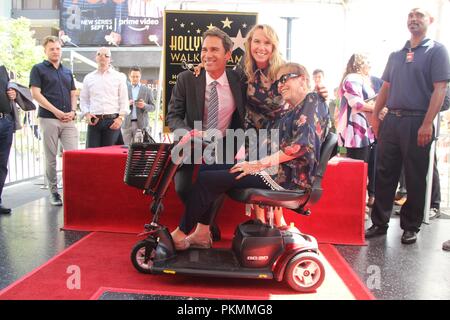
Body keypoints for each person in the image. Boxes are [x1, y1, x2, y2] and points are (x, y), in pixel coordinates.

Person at [170, 62, 330, 250]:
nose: (280, 86)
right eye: (278, 82)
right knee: (209, 166)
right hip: (272, 170)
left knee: (208, 178)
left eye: (285, 79)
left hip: (286, 178)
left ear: (303, 79)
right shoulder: (291, 110)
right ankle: (201, 234)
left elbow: (299, 146)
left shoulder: (312, 100)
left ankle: (179, 235)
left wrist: (256, 165)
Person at [365, 8, 450, 244]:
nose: (414, 19)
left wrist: (426, 124)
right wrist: (375, 117)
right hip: (391, 119)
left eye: (420, 15)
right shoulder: (396, 54)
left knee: (414, 175)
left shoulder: (437, 51)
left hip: (418, 120)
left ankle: (411, 226)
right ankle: (379, 222)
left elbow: (440, 89)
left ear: (429, 21)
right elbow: (386, 87)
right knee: (384, 173)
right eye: (410, 15)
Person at [166, 28, 245, 238]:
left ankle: (202, 231)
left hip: (225, 142)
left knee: (214, 182)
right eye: (204, 49)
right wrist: (188, 134)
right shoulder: (187, 79)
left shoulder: (239, 81)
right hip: (192, 141)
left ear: (228, 54)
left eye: (214, 49)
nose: (207, 54)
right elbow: (173, 115)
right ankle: (207, 224)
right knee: (183, 188)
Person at [30, 36, 79, 206]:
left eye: (57, 48)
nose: (55, 51)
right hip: (48, 119)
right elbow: (36, 94)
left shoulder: (67, 71)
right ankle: (54, 192)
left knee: (73, 156)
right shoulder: (38, 69)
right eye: (51, 49)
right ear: (45, 51)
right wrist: (57, 112)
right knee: (50, 157)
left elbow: (73, 93)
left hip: (68, 120)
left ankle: (72, 191)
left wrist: (72, 111)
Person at [80, 47, 128, 148]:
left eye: (106, 55)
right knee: (92, 156)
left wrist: (120, 118)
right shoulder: (88, 78)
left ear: (110, 59)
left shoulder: (119, 77)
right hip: (94, 121)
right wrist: (87, 114)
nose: (103, 57)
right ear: (95, 58)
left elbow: (124, 99)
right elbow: (84, 99)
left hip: (112, 121)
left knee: (109, 157)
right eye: (99, 54)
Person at [121, 66, 155, 145]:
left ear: (140, 76)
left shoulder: (147, 90)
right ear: (129, 76)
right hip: (126, 124)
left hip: (141, 125)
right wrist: (127, 104)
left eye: (137, 76)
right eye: (133, 76)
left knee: (139, 151)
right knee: (126, 150)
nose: (135, 78)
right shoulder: (124, 89)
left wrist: (144, 105)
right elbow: (117, 105)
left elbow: (153, 107)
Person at [0, 65, 17, 214]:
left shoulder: (2, 70)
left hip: (5, 120)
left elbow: (9, 89)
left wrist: (12, 93)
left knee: (2, 165)